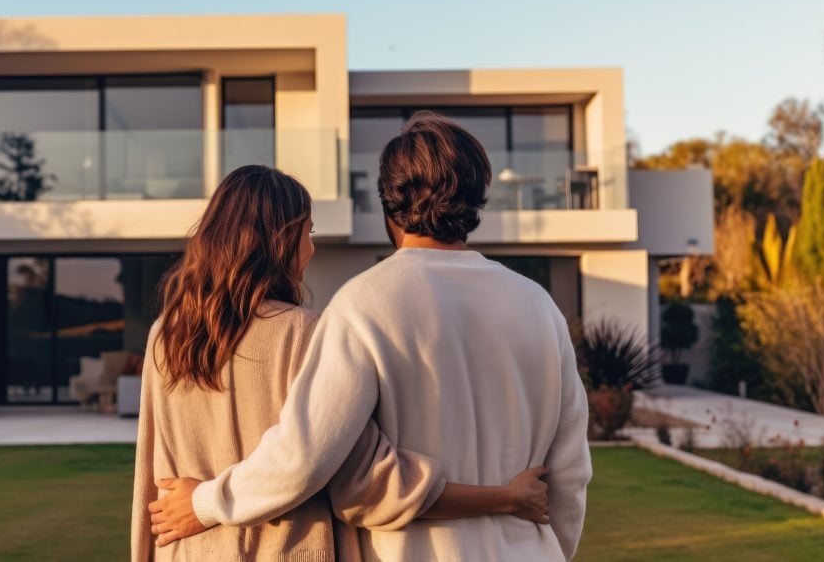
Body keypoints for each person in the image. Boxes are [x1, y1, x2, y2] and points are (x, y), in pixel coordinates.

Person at [149, 113, 592, 560]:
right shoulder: (540, 307)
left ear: (389, 203)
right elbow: (571, 473)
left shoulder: (363, 304)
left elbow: (306, 457)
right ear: (477, 198)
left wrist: (205, 502)